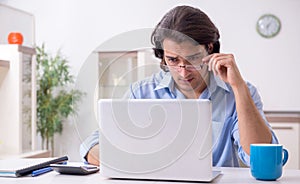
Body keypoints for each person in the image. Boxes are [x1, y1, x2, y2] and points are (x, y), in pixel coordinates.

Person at [80, 5, 278, 167]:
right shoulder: (141, 92)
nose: (183, 72)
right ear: (162, 55)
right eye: (173, 60)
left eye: (192, 59)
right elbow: (94, 143)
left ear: (209, 48)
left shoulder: (240, 92)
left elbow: (259, 156)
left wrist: (239, 87)